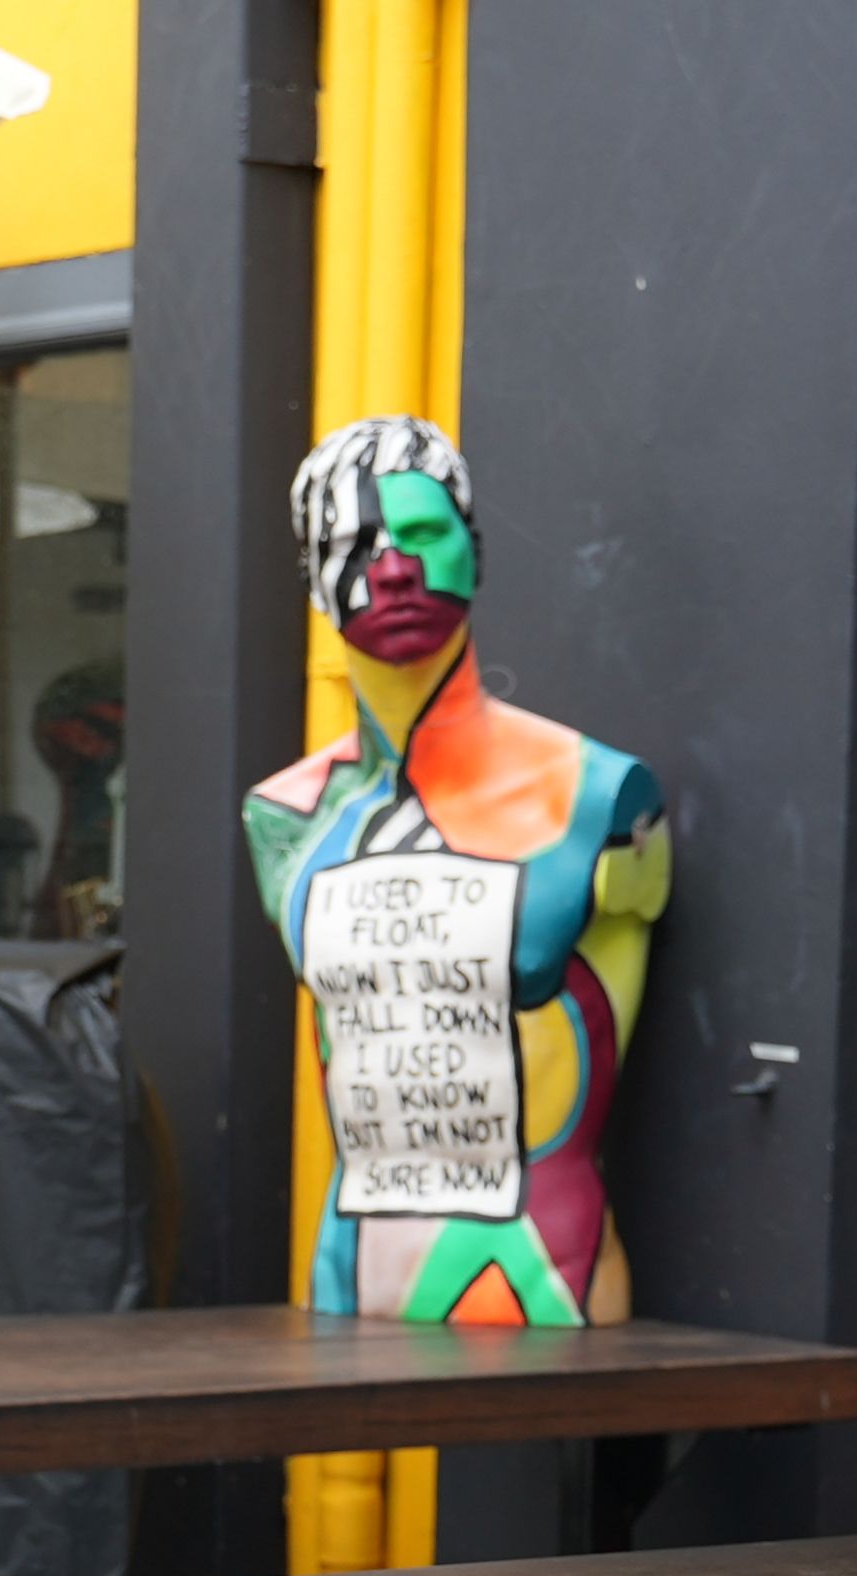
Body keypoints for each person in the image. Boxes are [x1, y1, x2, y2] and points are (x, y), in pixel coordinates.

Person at [243, 416, 669, 1323]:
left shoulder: (601, 795)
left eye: (425, 534)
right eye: (353, 544)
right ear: (313, 585)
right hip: (352, 1266)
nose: (393, 567)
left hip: (544, 1268)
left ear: (474, 551)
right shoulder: (282, 818)